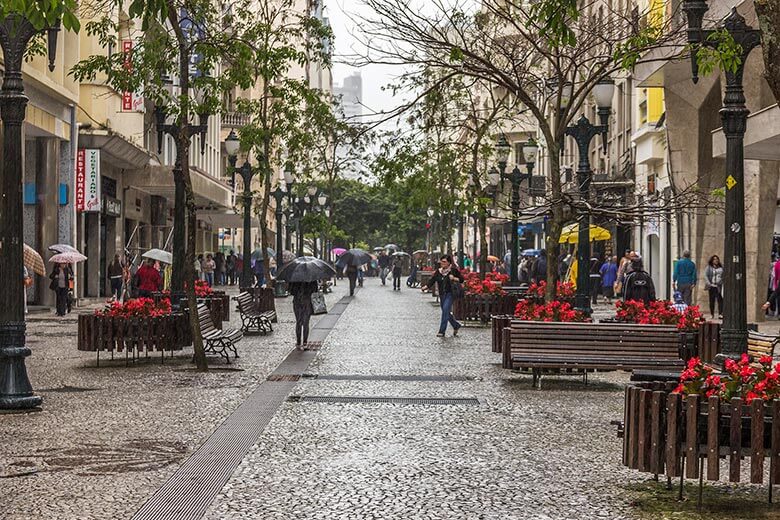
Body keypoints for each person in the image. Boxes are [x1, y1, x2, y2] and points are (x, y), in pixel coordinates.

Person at [423, 254, 464, 337]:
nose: (442, 263)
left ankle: (442, 331)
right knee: (446, 312)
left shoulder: (453, 270)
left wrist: (454, 278)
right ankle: (456, 325)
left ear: (449, 262)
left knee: (445, 310)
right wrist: (426, 286)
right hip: (442, 294)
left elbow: (462, 279)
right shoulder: (439, 271)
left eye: (444, 262)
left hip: (450, 293)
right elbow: (433, 280)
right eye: (441, 262)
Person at [289, 280, 318, 349]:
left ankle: (299, 342)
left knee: (299, 322)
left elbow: (291, 291)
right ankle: (304, 342)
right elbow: (315, 290)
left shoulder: (295, 278)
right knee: (305, 322)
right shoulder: (311, 278)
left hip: (297, 301)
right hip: (307, 301)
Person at [704, 254, 724, 319]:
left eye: (717, 259)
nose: (716, 260)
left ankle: (720, 313)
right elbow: (705, 275)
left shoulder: (721, 268)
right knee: (712, 301)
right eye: (714, 259)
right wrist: (708, 283)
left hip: (719, 286)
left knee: (720, 300)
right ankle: (712, 314)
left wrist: (721, 280)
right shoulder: (709, 267)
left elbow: (724, 275)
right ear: (712, 260)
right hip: (711, 286)